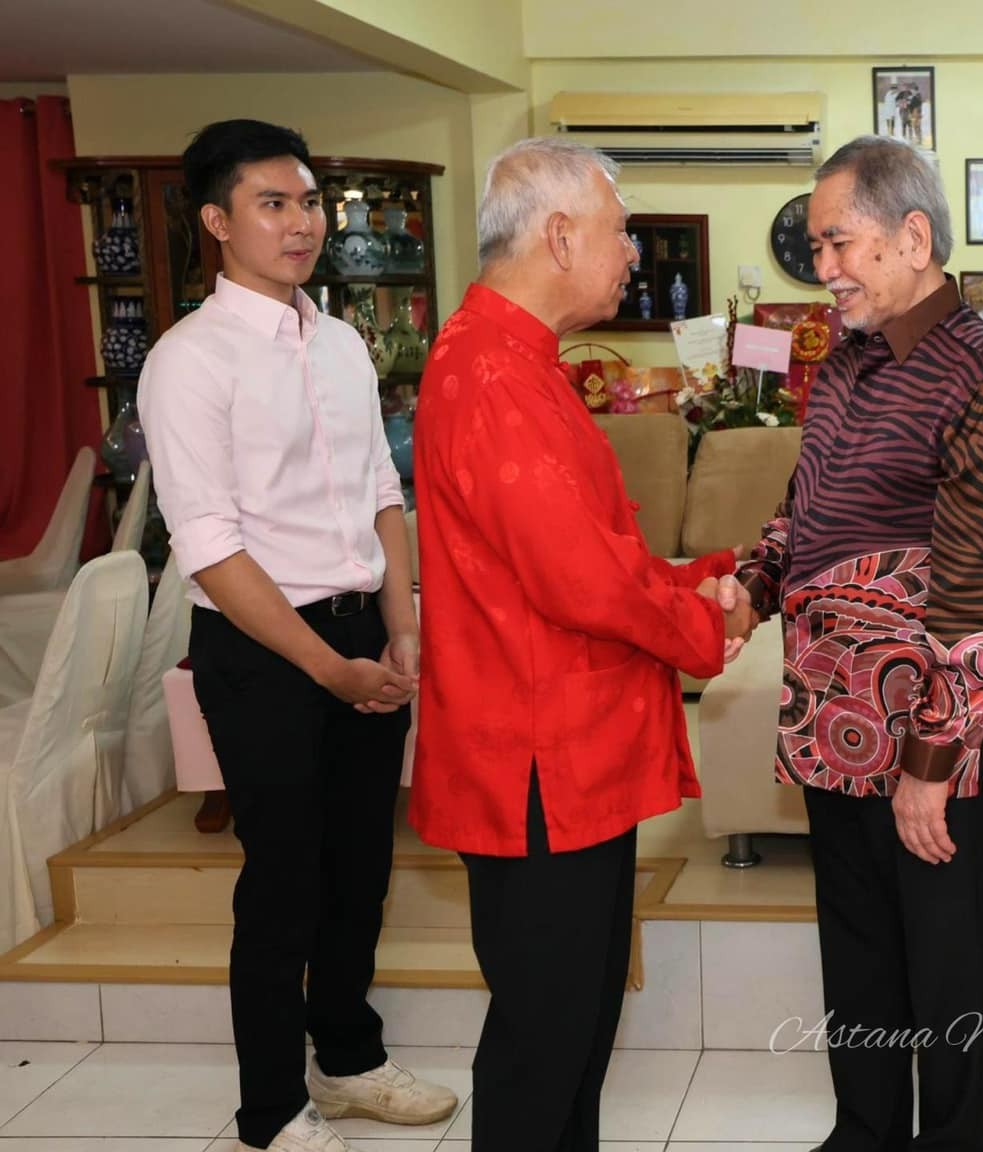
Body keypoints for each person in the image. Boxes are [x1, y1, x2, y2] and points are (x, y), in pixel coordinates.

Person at [408, 137, 750, 1152]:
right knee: (546, 1039)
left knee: (578, 1024)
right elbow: (577, 579)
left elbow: (595, 551)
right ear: (559, 237)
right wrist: (703, 621)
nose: (632, 254)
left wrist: (699, 578)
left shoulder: (518, 360)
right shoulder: (490, 372)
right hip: (536, 761)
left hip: (563, 750)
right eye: (620, 231)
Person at [138, 119, 457, 1152]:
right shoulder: (189, 361)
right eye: (272, 203)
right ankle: (271, 1108)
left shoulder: (341, 343)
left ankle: (350, 1060)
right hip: (263, 651)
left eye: (310, 202)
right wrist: (330, 669)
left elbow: (381, 493)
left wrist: (402, 629)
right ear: (217, 222)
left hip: (364, 631)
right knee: (284, 883)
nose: (301, 223)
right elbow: (210, 549)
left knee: (360, 869)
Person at [731, 134, 983, 1150]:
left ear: (913, 238)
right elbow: (805, 510)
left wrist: (927, 766)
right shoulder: (843, 367)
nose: (822, 268)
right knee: (859, 967)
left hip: (934, 756)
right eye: (817, 247)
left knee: (948, 991)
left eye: (837, 243)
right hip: (834, 730)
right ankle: (863, 1134)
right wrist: (748, 588)